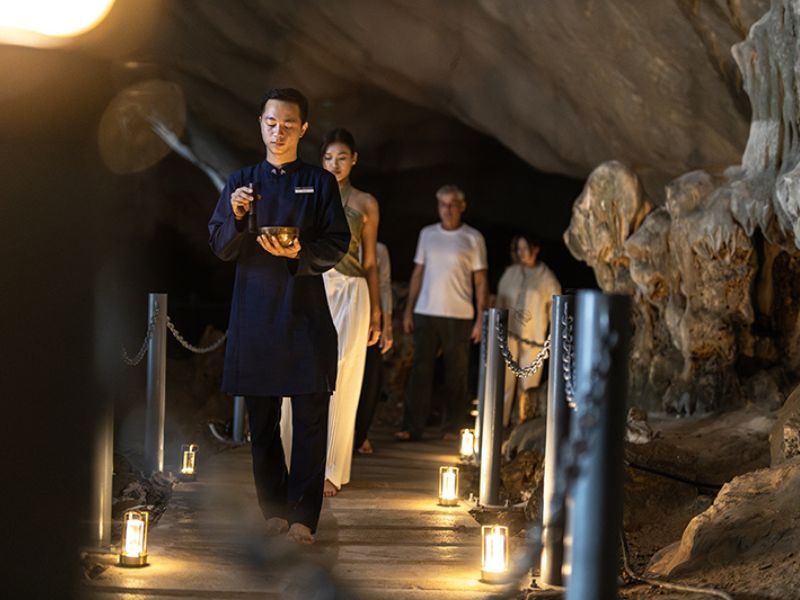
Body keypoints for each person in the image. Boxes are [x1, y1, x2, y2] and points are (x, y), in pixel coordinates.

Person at [208, 88, 350, 545]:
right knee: (263, 421)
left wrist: (299, 253)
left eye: (288, 124)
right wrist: (235, 215)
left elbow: (337, 242)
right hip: (255, 312)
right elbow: (220, 245)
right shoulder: (241, 182)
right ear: (260, 124)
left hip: (304, 311)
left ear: (303, 129)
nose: (278, 131)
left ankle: (304, 516)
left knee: (310, 417)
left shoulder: (320, 182)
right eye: (271, 122)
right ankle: (273, 510)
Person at [280, 128, 382, 497]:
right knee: (298, 369)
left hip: (352, 290)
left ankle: (331, 470)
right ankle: (290, 462)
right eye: (327, 158)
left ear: (354, 159)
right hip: (313, 283)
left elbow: (370, 262)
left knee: (343, 376)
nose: (334, 164)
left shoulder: (366, 202)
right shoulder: (309, 193)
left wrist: (378, 314)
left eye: (341, 157)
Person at [396, 185, 488, 441]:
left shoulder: (473, 238)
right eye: (443, 204)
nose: (447, 209)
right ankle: (411, 427)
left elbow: (481, 280)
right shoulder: (427, 234)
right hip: (426, 311)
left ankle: (452, 427)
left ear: (462, 206)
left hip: (459, 314)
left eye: (452, 204)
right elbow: (418, 273)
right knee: (420, 371)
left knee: (456, 373)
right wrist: (409, 310)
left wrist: (480, 318)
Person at [496, 235, 561, 426]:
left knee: (528, 387)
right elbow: (500, 300)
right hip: (509, 336)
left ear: (535, 248)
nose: (522, 253)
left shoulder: (547, 278)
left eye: (525, 248)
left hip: (533, 339)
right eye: (519, 248)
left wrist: (554, 335)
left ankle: (522, 426)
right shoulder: (510, 274)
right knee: (504, 383)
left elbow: (555, 309)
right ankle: (499, 424)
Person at [354, 241, 394, 455]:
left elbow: (384, 285)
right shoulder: (335, 238)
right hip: (343, 312)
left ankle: (361, 433)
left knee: (371, 378)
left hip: (371, 319)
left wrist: (387, 325)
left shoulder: (379, 249)